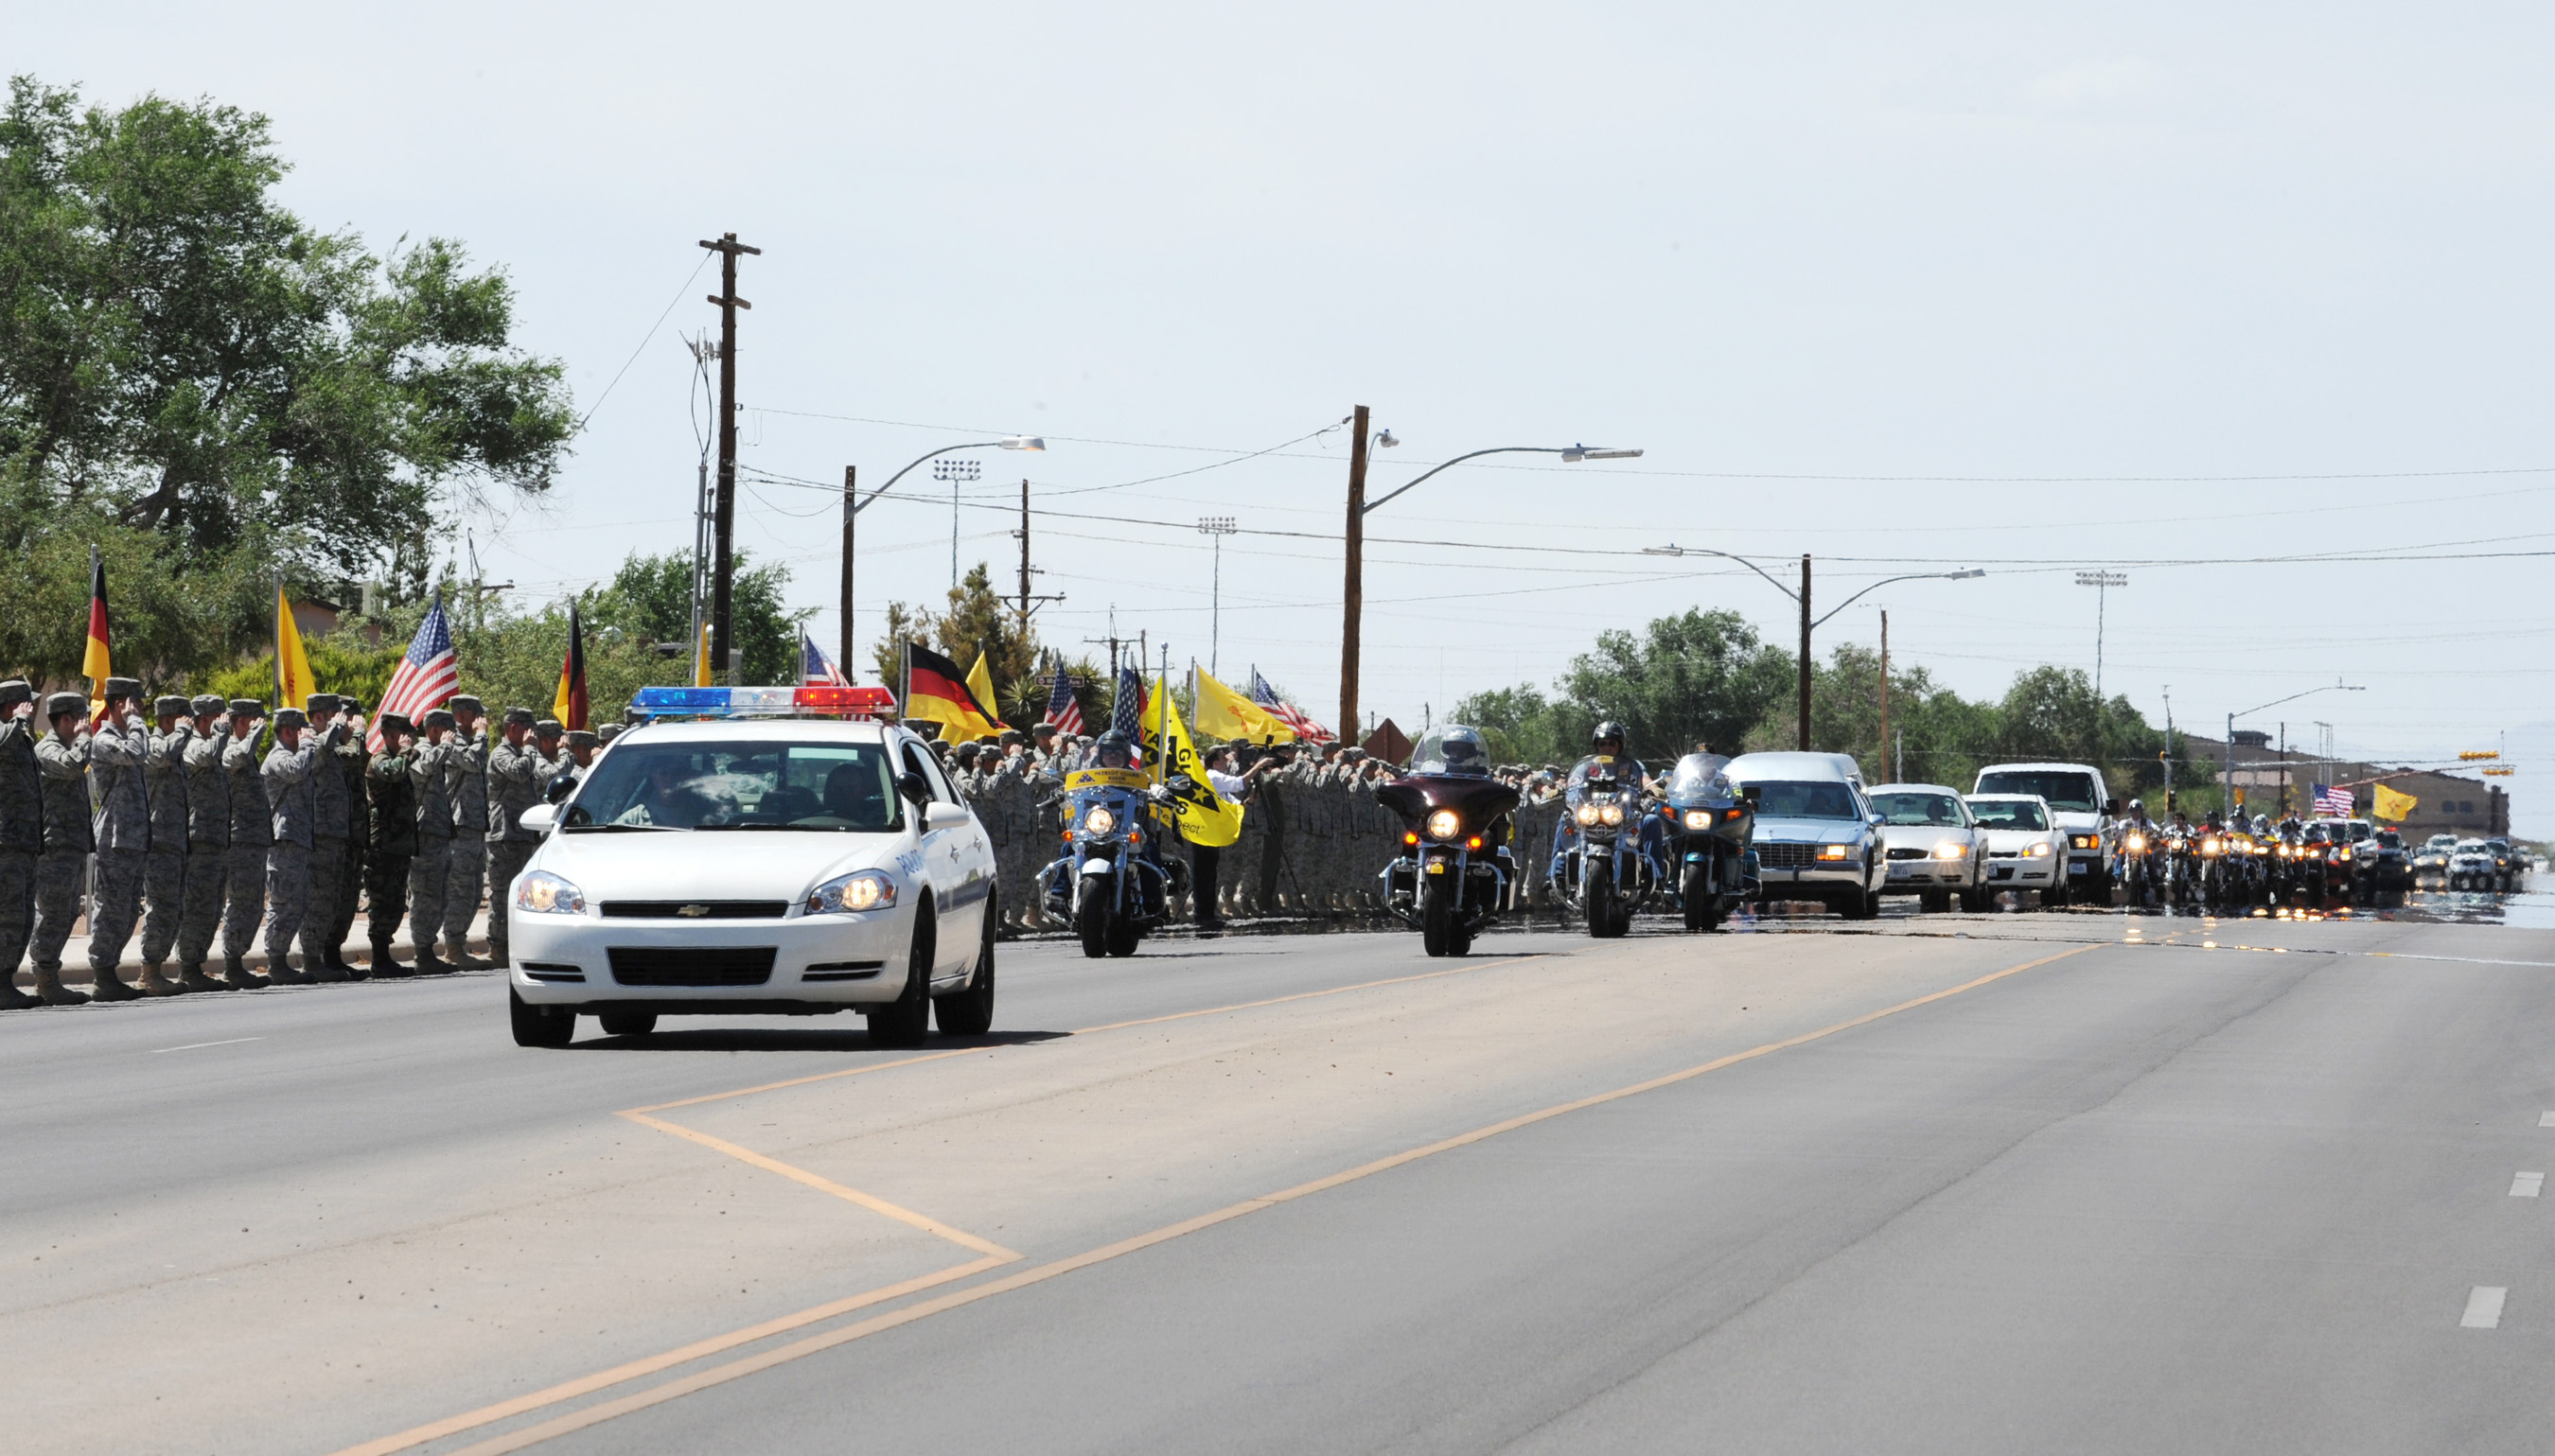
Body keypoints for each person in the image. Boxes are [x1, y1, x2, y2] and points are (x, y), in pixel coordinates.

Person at [84, 677, 151, 1000]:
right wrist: (136, 721)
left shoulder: (130, 736)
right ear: (121, 703)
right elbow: (137, 753)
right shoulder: (105, 739)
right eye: (135, 703)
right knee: (111, 907)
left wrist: (136, 723)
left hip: (134, 837)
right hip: (114, 837)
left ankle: (110, 970)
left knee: (127, 911)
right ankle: (102, 973)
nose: (139, 710)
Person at [28, 692, 95, 1005]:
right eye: (82, 717)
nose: (87, 724)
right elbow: (73, 766)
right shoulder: (48, 750)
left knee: (67, 912)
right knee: (53, 912)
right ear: (66, 719)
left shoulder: (69, 747)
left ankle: (49, 974)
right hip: (55, 846)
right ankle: (44, 977)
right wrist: (83, 739)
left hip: (72, 843)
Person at [136, 693, 197, 995]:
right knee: (160, 907)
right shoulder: (154, 744)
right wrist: (182, 732)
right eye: (183, 719)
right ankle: (149, 972)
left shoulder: (178, 751)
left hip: (177, 840)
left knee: (175, 907)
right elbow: (160, 756)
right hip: (160, 840)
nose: (190, 725)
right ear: (165, 721)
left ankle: (157, 968)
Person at [295, 695, 361, 980]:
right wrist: (335, 728)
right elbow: (317, 755)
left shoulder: (331, 748)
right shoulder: (311, 744)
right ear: (320, 717)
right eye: (334, 715)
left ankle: (323, 956)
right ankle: (311, 959)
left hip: (335, 835)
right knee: (318, 900)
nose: (342, 720)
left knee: (332, 899)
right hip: (320, 835)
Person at [259, 706, 321, 984]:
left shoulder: (299, 755)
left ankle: (282, 959)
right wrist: (308, 744)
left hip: (299, 838)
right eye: (300, 731)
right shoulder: (278, 758)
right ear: (288, 731)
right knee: (283, 902)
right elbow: (296, 771)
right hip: (284, 840)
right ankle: (275, 960)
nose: (305, 735)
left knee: (297, 903)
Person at [176, 695, 232, 991]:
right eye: (216, 717)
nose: (223, 722)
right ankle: (188, 965)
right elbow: (206, 756)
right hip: (199, 839)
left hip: (216, 838)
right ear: (204, 718)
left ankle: (196, 963)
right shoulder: (194, 744)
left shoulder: (215, 743)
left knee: (212, 907)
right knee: (197, 905)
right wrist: (221, 736)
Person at [485, 708, 546, 970]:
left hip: (524, 835)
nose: (531, 734)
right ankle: (498, 946)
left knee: (524, 894)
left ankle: (515, 944)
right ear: (512, 729)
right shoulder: (502, 753)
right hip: (506, 834)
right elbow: (519, 772)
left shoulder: (524, 753)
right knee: (502, 894)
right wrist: (531, 749)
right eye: (526, 728)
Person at [220, 698, 273, 988]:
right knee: (240, 903)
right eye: (255, 721)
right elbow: (235, 759)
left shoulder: (247, 751)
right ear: (242, 722)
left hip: (253, 839)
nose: (261, 726)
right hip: (239, 839)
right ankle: (231, 963)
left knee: (252, 904)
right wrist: (254, 736)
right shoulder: (230, 748)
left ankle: (237, 959)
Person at [366, 713, 420, 975]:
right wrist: (407, 752)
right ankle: (379, 959)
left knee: (396, 902)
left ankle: (384, 957)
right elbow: (392, 774)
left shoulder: (400, 758)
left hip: (399, 844)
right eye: (402, 734)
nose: (408, 739)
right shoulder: (380, 759)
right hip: (383, 845)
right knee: (382, 901)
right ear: (388, 735)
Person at [440, 695, 492, 971]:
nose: (482, 721)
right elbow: (472, 762)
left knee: (473, 892)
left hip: (474, 826)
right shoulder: (455, 740)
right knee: (460, 889)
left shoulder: (472, 741)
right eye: (477, 715)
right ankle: (453, 946)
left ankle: (458, 943)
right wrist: (482, 736)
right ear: (462, 716)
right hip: (459, 827)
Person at [0, 681, 43, 1009]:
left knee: (23, 915)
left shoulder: (22, 738)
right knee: (8, 915)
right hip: (6, 841)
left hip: (25, 841)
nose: (30, 710)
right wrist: (18, 721)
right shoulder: (8, 733)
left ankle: (7, 979)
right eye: (25, 705)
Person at [408, 708, 458, 974]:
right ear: (436, 730)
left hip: (439, 833)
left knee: (439, 895)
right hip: (424, 835)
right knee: (424, 894)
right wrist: (445, 748)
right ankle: (422, 950)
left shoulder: (440, 753)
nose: (453, 737)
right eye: (449, 731)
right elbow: (420, 770)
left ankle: (429, 947)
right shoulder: (420, 751)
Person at [326, 697, 370, 974]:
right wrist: (359, 735)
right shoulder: (332, 749)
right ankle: (324, 952)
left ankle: (334, 952)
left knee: (349, 898)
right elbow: (350, 758)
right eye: (349, 718)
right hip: (336, 835)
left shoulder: (355, 745)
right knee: (333, 896)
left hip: (355, 833)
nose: (355, 723)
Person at [1190, 745, 1249, 932]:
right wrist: (1259, 766)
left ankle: (1208, 912)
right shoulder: (1212, 776)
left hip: (1213, 832)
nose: (1227, 762)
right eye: (1223, 759)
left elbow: (1232, 801)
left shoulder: (1216, 779)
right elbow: (1238, 783)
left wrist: (1249, 800)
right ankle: (1202, 914)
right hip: (1205, 832)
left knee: (1210, 873)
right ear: (1215, 763)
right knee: (1203, 873)